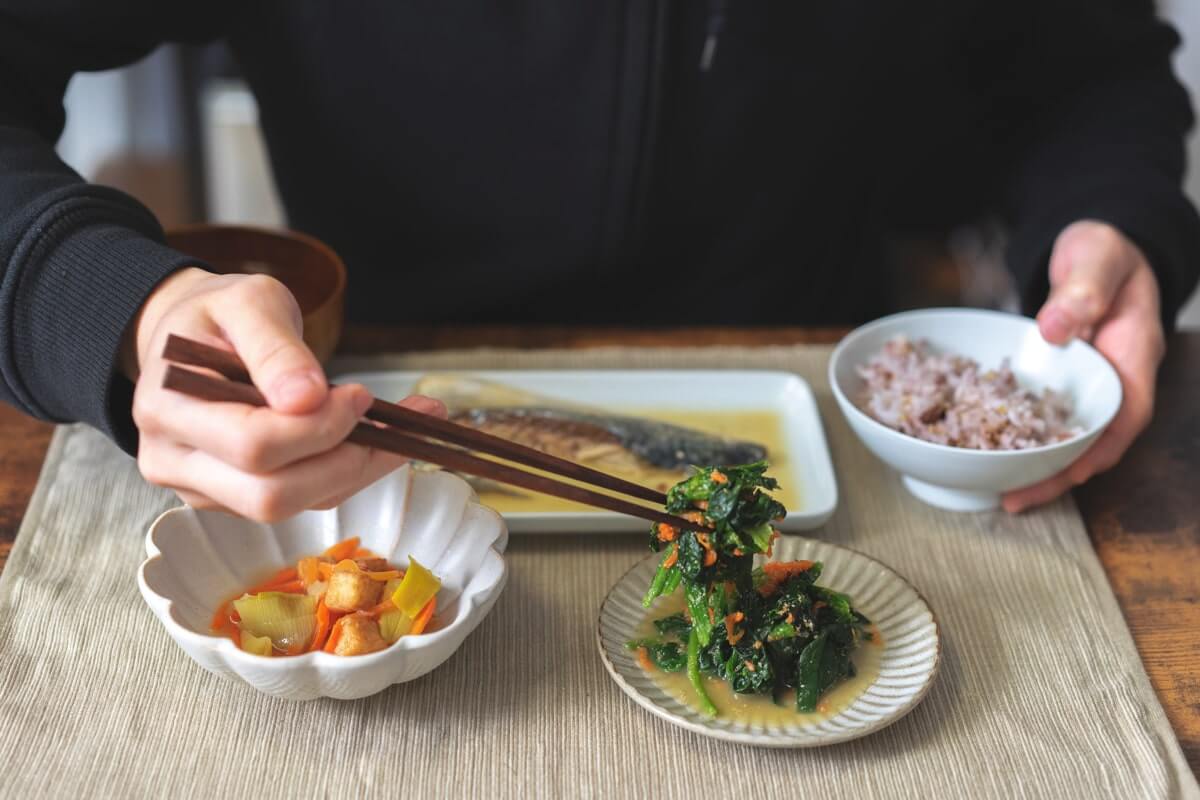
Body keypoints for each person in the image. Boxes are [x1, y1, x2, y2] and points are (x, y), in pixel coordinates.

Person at [0, 2, 1196, 520]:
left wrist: (1116, 217)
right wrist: (105, 299)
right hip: (368, 423)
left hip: (826, 421)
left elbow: (1084, 66)